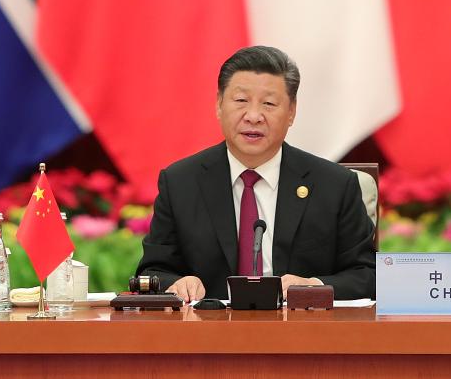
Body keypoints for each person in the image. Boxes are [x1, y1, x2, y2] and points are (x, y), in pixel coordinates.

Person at [136, 46, 376, 301]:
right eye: (240, 101)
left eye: (269, 104)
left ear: (292, 111)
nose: (253, 116)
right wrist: (177, 283)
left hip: (303, 334)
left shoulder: (334, 185)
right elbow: (152, 272)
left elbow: (368, 274)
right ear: (219, 104)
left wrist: (314, 285)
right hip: (209, 334)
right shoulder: (181, 182)